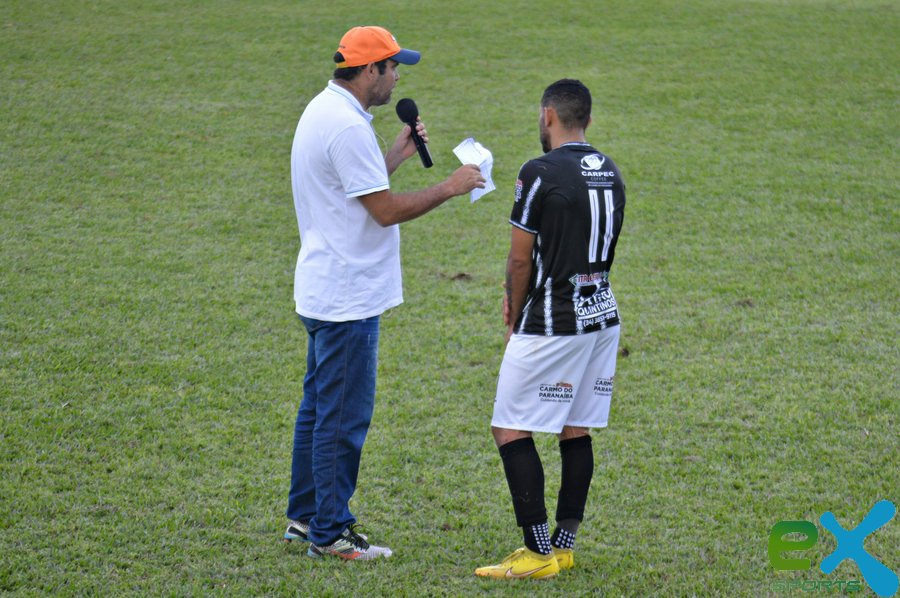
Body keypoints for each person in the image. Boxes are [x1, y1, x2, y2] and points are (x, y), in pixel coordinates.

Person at [283, 26, 485, 561]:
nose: (397, 78)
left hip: (324, 287)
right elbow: (385, 210)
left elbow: (351, 188)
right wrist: (449, 187)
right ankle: (330, 532)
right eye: (393, 68)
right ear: (370, 70)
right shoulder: (348, 126)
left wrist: (391, 157)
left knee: (317, 410)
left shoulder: (323, 110)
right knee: (342, 418)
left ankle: (305, 517)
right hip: (348, 296)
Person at [475, 79, 626, 580]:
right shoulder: (610, 169)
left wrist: (513, 313)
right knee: (574, 425)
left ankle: (537, 552)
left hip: (552, 319)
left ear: (547, 116)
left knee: (508, 425)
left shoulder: (537, 171)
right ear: (588, 119)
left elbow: (520, 259)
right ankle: (563, 546)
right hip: (600, 314)